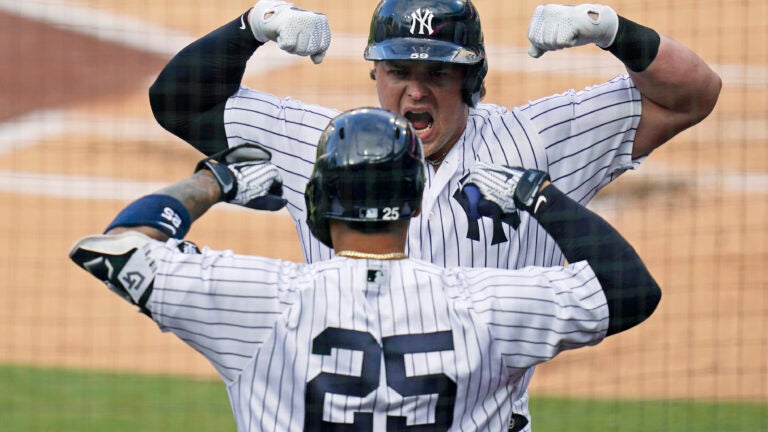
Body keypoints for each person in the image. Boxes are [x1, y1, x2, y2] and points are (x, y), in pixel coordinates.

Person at [147, 0, 719, 429]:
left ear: (471, 80)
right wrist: (250, 26)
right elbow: (177, 100)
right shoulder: (335, 143)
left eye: (437, 75)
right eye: (399, 72)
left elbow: (692, 93)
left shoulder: (537, 140)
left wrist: (614, 30)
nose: (415, 94)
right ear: (375, 73)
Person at [70, 108, 661, 431]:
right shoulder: (486, 306)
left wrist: (215, 181)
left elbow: (115, 248)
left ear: (318, 201)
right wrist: (542, 197)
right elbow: (631, 289)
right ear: (415, 201)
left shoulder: (259, 300)